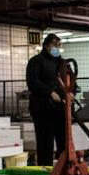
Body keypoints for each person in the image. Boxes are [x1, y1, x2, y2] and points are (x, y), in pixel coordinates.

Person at [26, 33, 67, 166]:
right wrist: (50, 92)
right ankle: (45, 170)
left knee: (63, 140)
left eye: (58, 45)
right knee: (45, 142)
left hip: (60, 108)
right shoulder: (36, 61)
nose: (56, 48)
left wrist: (71, 92)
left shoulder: (62, 63)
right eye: (54, 45)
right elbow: (33, 82)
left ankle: (63, 170)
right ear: (46, 45)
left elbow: (71, 79)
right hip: (42, 108)